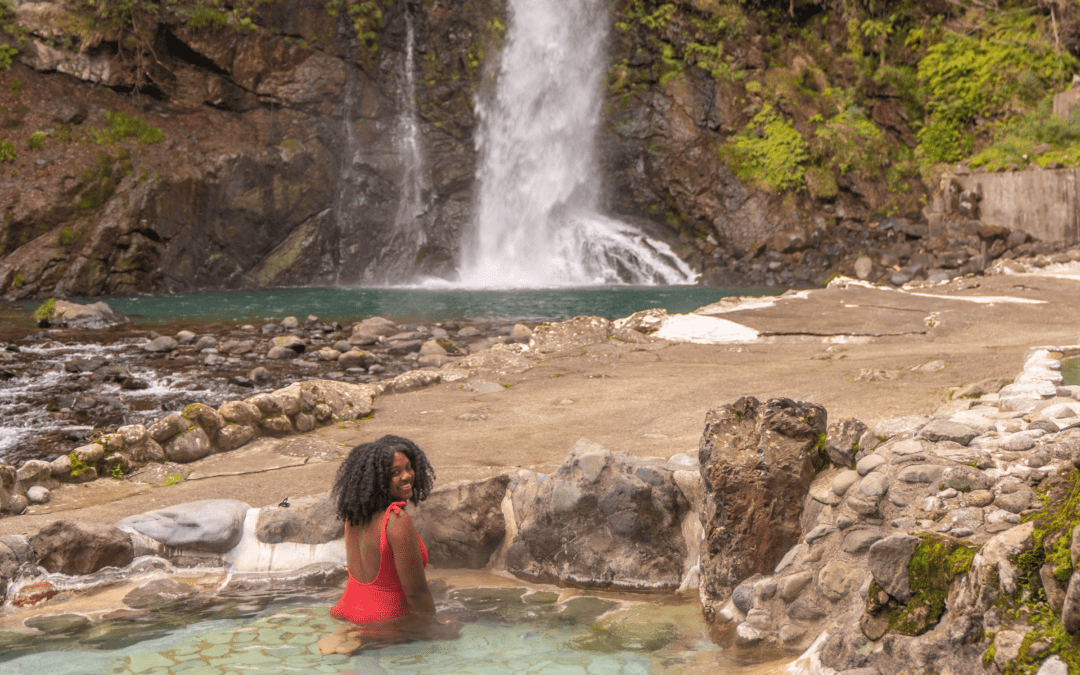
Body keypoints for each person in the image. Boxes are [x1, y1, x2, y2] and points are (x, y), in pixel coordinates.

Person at [319, 435, 458, 656]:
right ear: (377, 479)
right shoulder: (396, 522)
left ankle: (349, 632)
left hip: (350, 608)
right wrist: (433, 627)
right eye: (395, 473)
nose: (407, 476)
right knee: (455, 628)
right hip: (387, 619)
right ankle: (361, 637)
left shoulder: (354, 517)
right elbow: (417, 594)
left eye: (409, 468)